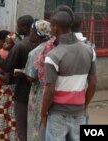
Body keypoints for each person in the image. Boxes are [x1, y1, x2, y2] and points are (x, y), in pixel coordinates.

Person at [41, 11, 97, 141]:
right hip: (79, 112)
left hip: (58, 114)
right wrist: (85, 105)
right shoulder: (89, 50)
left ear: (55, 27)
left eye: (51, 25)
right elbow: (93, 84)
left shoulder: (53, 55)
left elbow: (49, 91)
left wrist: (43, 113)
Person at [0, 15, 34, 141]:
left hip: (21, 88)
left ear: (24, 27)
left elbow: (7, 66)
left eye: (18, 25)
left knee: (21, 123)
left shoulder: (20, 45)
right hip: (34, 88)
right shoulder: (37, 43)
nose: (16, 27)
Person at [14, 20, 51, 141]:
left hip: (38, 93)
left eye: (31, 31)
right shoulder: (54, 46)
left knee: (36, 123)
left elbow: (31, 76)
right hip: (54, 91)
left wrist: (22, 71)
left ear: (37, 34)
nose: (30, 34)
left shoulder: (35, 52)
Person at [0, 32, 18, 141]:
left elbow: (6, 78)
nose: (4, 44)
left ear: (13, 46)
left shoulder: (11, 57)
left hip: (8, 91)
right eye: (5, 42)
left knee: (5, 118)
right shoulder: (12, 55)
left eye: (8, 43)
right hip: (12, 90)